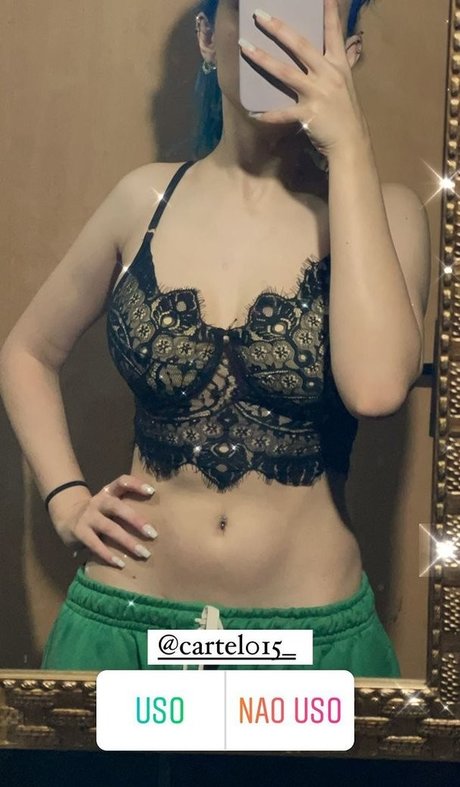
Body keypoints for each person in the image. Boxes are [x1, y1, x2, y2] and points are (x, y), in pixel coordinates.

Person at [0, 0, 430, 675]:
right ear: (208, 38)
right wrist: (66, 499)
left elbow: (375, 389)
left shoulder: (392, 215)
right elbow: (28, 352)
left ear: (348, 52)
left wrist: (349, 144)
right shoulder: (142, 202)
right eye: (257, 12)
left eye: (304, 17)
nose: (279, 39)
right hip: (124, 627)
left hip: (311, 644)